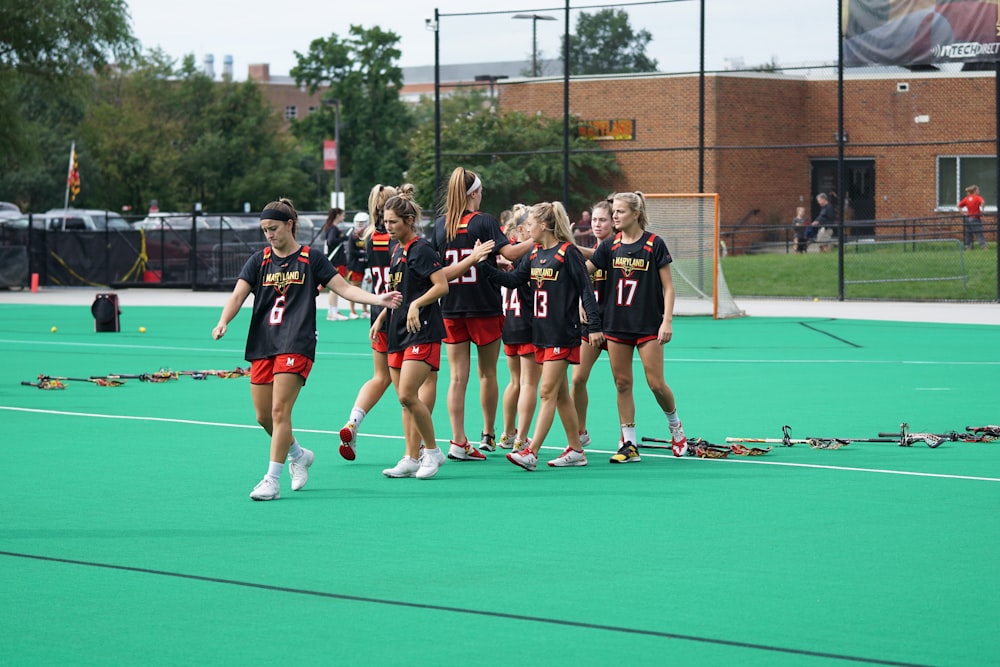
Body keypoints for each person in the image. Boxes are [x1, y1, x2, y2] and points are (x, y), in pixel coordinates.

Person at [211, 198, 400, 501]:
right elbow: (237, 296)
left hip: (296, 342)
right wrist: (223, 321)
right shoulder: (259, 260)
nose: (269, 235)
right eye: (264, 230)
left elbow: (344, 288)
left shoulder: (311, 259)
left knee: (279, 409)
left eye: (273, 228)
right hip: (263, 342)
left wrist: (378, 300)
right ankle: (299, 454)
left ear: (289, 225)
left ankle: (271, 480)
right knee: (263, 417)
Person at [376, 191, 495, 479]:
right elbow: (400, 292)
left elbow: (441, 285)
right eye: (385, 221)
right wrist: (381, 316)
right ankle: (409, 456)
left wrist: (417, 304)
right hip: (397, 330)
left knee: (408, 393)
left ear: (409, 220)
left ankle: (432, 451)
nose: (387, 227)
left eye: (393, 222)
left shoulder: (422, 249)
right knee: (404, 400)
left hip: (422, 331)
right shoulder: (396, 250)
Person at [489, 202, 602, 471]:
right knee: (561, 394)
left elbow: (586, 289)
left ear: (544, 225)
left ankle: (531, 451)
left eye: (530, 224)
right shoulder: (535, 254)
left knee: (547, 391)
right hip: (541, 332)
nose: (526, 228)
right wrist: (480, 266)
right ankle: (576, 449)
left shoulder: (567, 252)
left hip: (562, 333)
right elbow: (513, 280)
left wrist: (595, 325)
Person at [434, 167, 531, 460]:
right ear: (474, 193)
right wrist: (540, 239)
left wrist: (487, 263)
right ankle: (488, 435)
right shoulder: (484, 221)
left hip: (451, 306)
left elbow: (446, 266)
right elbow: (511, 254)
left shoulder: (440, 224)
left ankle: (457, 441)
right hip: (483, 306)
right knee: (487, 373)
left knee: (456, 377)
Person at [586, 191, 688, 463]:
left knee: (655, 384)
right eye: (613, 212)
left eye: (619, 212)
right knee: (622, 383)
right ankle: (629, 444)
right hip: (616, 325)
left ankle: (676, 427)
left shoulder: (654, 244)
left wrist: (667, 320)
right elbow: (585, 271)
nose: (614, 216)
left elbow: (668, 287)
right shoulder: (609, 246)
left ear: (635, 214)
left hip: (648, 326)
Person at [336, 184, 398, 460]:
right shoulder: (400, 239)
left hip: (376, 309)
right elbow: (403, 280)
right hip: (398, 309)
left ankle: (353, 422)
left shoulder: (370, 236)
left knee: (380, 376)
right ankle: (421, 447)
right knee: (410, 387)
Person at [570, 199, 616, 448]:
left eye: (603, 220)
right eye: (594, 220)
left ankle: (626, 436)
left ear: (614, 222)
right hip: (591, 322)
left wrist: (569, 243)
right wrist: (579, 301)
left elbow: (595, 255)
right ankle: (580, 431)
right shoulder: (591, 251)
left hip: (617, 323)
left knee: (622, 382)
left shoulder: (618, 248)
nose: (597, 224)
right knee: (577, 380)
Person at [497, 204, 539, 452]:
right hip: (527, 323)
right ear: (523, 229)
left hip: (509, 324)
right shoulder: (530, 256)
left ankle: (507, 433)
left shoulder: (510, 256)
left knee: (514, 382)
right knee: (529, 384)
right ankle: (522, 437)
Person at [344, 211, 371, 318]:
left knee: (366, 287)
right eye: (358, 222)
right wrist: (363, 253)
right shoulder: (352, 235)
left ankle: (365, 310)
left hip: (367, 265)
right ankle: (352, 310)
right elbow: (351, 250)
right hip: (355, 265)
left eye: (363, 222)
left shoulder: (369, 235)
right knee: (354, 287)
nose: (360, 224)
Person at [323, 207, 348, 320]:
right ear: (337, 215)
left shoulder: (331, 228)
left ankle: (333, 310)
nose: (344, 216)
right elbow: (331, 241)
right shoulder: (333, 229)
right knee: (335, 287)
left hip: (335, 260)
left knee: (334, 288)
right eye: (342, 214)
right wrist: (343, 238)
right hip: (336, 261)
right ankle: (333, 311)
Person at [958, 184, 988, 250]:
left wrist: (963, 213)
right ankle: (984, 247)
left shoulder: (966, 198)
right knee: (979, 233)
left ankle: (968, 247)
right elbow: (983, 202)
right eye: (978, 190)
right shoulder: (978, 197)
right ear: (975, 191)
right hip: (975, 218)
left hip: (968, 218)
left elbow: (958, 205)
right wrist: (982, 210)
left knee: (968, 234)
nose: (979, 191)